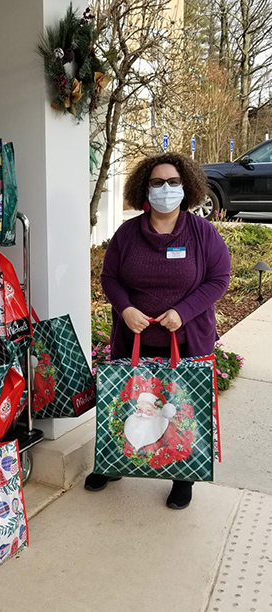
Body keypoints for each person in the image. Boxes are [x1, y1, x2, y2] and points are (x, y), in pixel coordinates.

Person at [85, 152, 231, 509]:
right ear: (144, 189)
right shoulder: (128, 234)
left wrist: (184, 312)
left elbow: (219, 279)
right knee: (125, 404)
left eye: (173, 182)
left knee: (179, 409)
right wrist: (126, 308)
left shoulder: (202, 233)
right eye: (156, 182)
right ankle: (113, 462)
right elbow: (110, 278)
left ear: (187, 187)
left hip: (184, 340)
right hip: (134, 339)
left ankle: (183, 475)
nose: (165, 189)